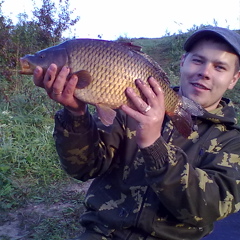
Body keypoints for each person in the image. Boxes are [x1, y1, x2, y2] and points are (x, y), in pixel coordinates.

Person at [33, 26, 240, 240]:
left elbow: (206, 209)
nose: (205, 72)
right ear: (182, 62)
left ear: (234, 79)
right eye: (198, 60)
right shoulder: (129, 108)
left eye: (220, 67)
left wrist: (154, 145)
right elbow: (83, 168)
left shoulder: (232, 142)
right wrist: (75, 114)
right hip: (102, 233)